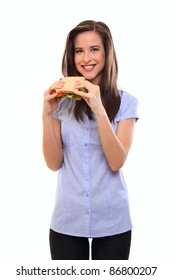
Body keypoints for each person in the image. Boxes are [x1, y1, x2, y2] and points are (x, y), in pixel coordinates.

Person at [42, 20, 139, 260]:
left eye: (94, 49)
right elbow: (54, 163)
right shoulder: (61, 104)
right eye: (79, 51)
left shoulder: (127, 102)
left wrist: (99, 109)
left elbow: (116, 161)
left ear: (107, 53)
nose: (86, 58)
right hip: (67, 220)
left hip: (113, 222)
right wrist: (46, 113)